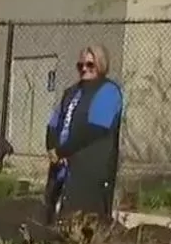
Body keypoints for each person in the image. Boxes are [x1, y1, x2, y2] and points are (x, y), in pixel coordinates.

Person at [44, 45, 124, 225]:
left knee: (82, 221)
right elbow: (53, 123)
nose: (84, 69)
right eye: (80, 66)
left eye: (90, 64)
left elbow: (94, 129)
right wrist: (52, 148)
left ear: (101, 65)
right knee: (53, 217)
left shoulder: (109, 91)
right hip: (61, 167)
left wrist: (63, 151)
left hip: (90, 169)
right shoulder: (71, 92)